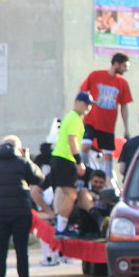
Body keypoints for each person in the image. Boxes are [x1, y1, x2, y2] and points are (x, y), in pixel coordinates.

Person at [0, 135, 44, 277]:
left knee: (0, 251)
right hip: (20, 213)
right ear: (17, 148)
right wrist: (27, 159)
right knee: (21, 251)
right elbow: (39, 178)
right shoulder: (22, 163)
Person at [79, 53, 133, 167]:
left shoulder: (122, 83)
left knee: (108, 154)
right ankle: (83, 171)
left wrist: (126, 128)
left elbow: (124, 107)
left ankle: (108, 177)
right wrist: (79, 112)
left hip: (108, 125)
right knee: (86, 145)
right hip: (91, 120)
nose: (126, 69)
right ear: (116, 64)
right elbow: (82, 92)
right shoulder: (96, 75)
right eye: (124, 66)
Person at [51, 92, 92, 238]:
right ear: (77, 102)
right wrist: (79, 162)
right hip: (65, 158)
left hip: (59, 157)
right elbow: (72, 141)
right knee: (71, 194)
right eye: (85, 103)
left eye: (89, 104)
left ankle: (60, 224)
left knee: (63, 193)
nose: (87, 107)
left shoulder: (71, 117)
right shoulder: (75, 118)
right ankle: (61, 228)